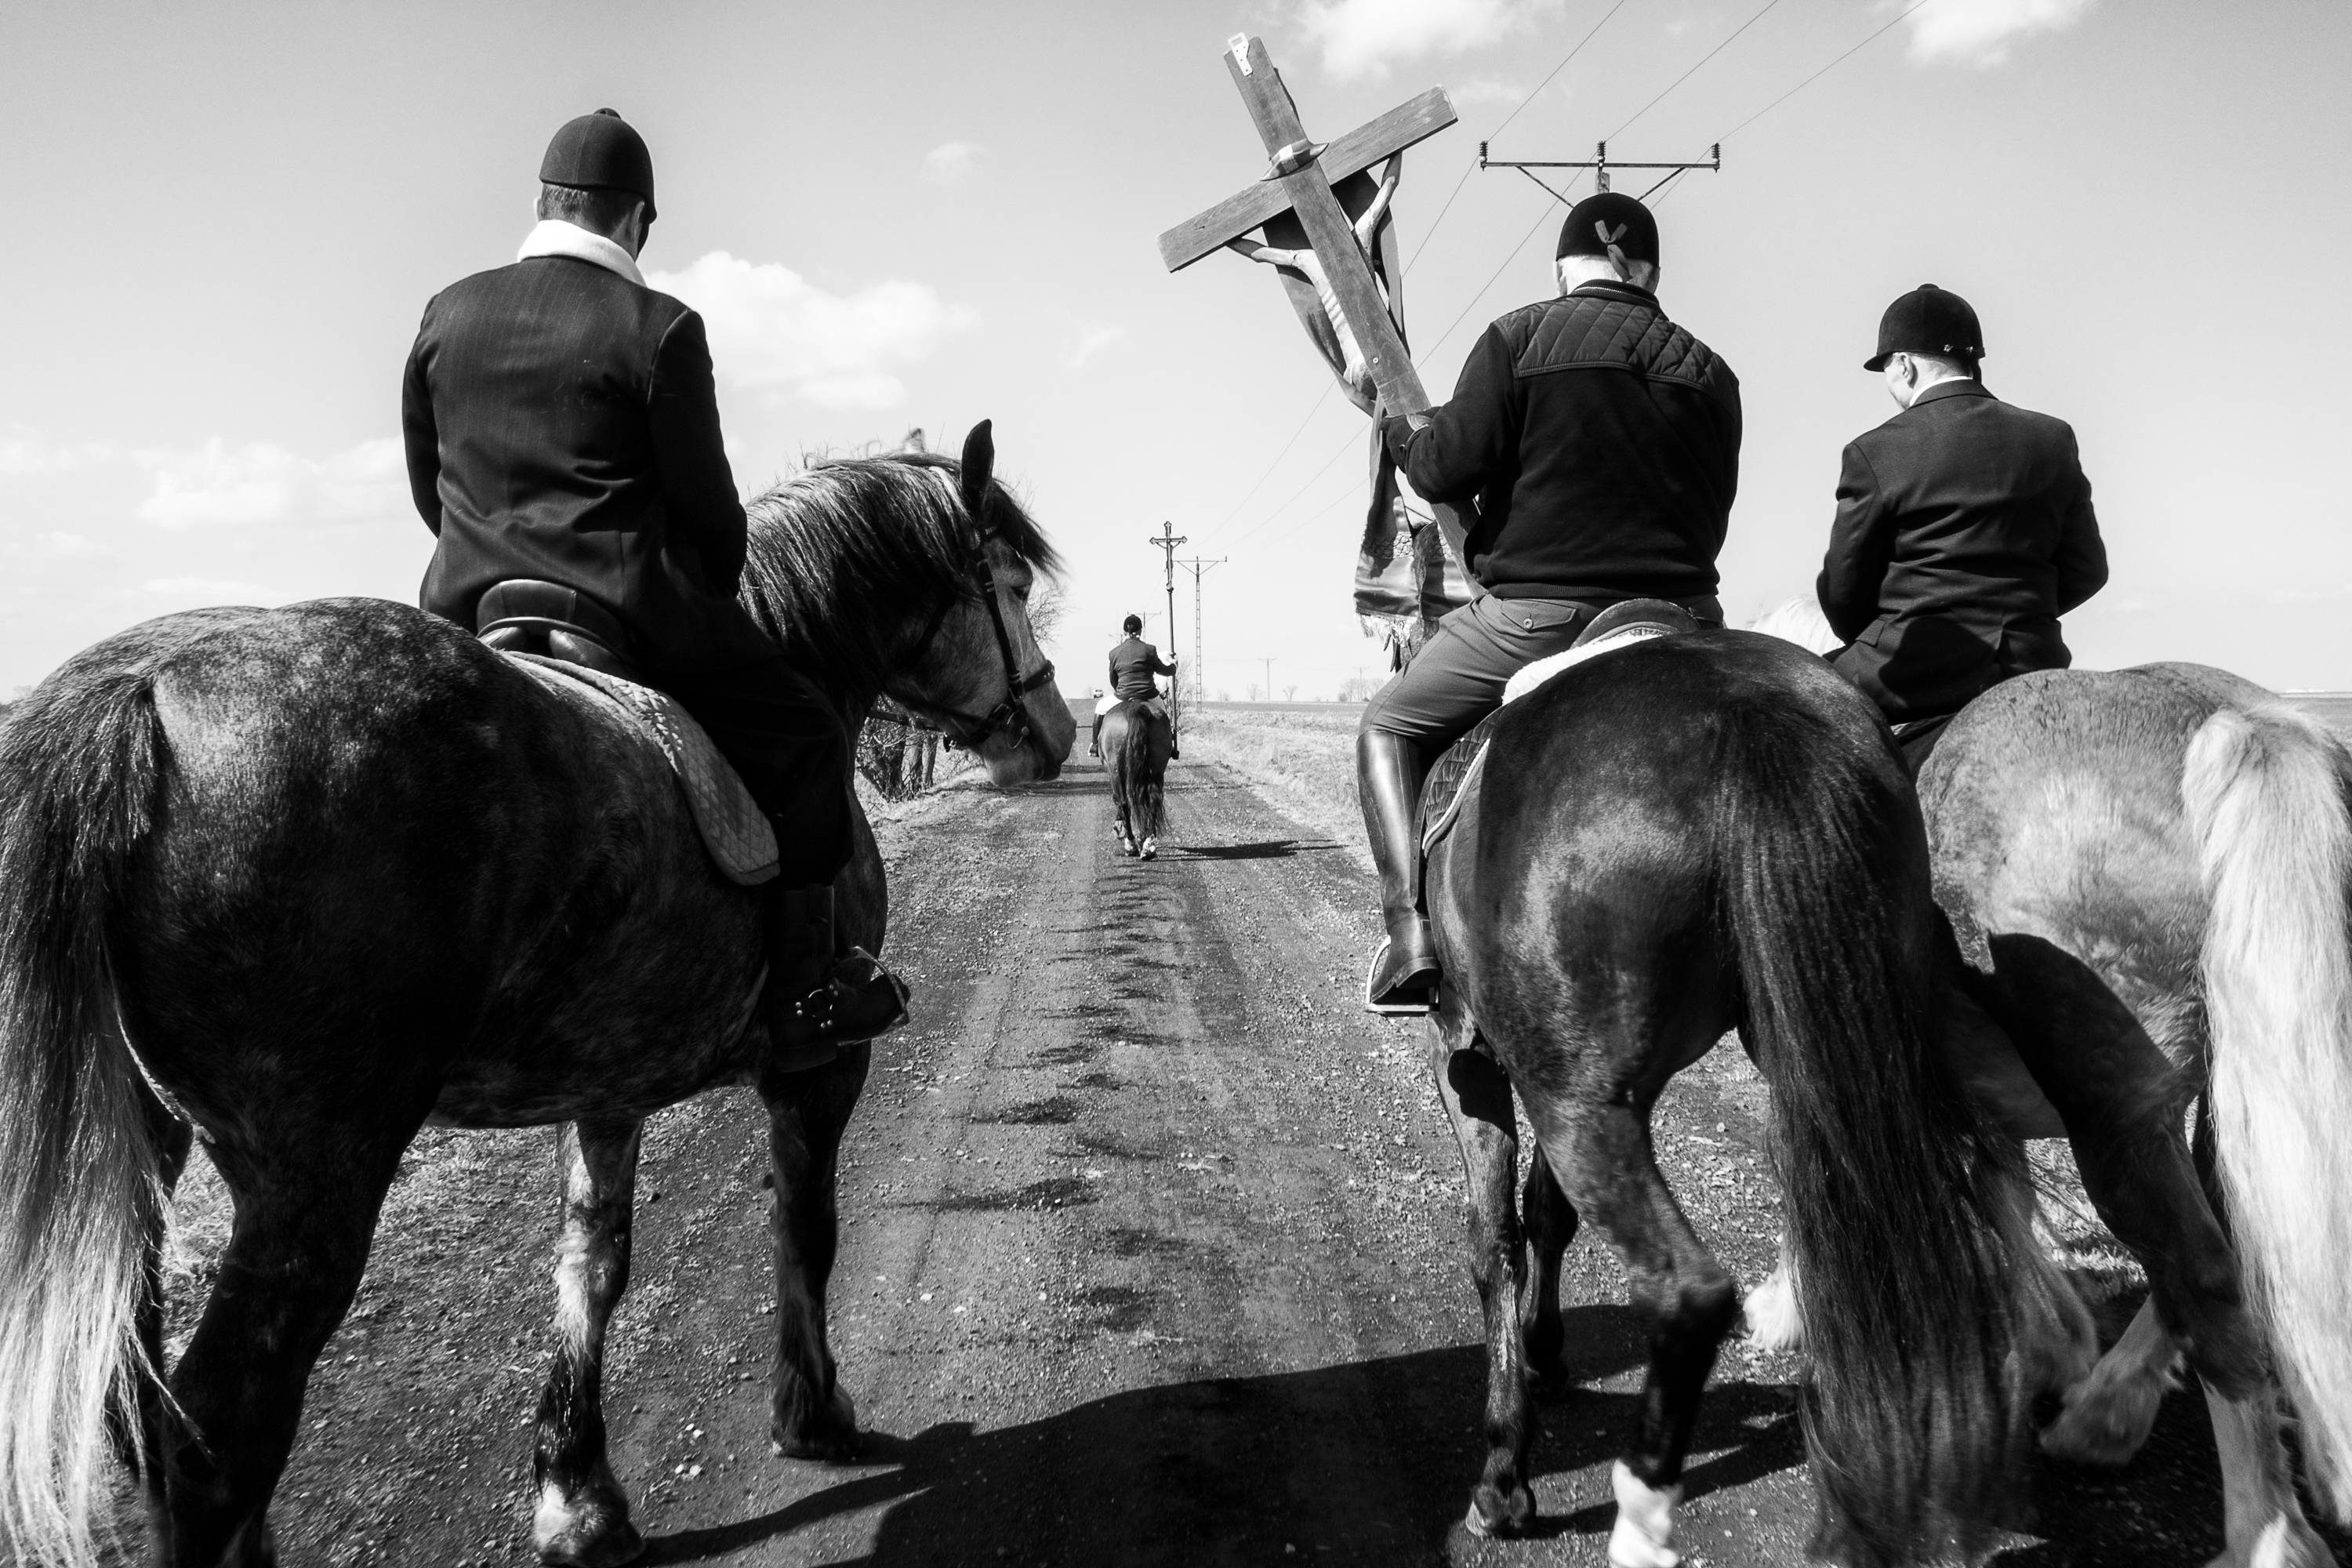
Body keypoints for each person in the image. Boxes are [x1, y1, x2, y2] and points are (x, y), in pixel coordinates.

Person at [401, 108, 905, 1068]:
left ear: (544, 203)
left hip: (472, 609)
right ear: (636, 221)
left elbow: (432, 490)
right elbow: (711, 513)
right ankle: (806, 996)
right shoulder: (661, 327)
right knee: (807, 738)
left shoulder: (445, 312)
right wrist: (714, 588)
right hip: (627, 613)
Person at [1362, 191, 1741, 1010]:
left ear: (1563, 269)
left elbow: (1442, 470)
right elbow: (1716, 516)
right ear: (1651, 274)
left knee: (1387, 724)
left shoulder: (1518, 339)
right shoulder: (1713, 373)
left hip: (1539, 618)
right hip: (1686, 624)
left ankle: (1410, 936)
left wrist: (1400, 434)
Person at [1817, 284, 2107, 771]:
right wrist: (2024, 614)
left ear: (1904, 365)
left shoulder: (1875, 451)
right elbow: (2088, 569)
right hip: (2030, 666)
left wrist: (1884, 632)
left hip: (1913, 676)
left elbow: (1844, 592)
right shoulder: (2053, 438)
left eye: (1886, 369)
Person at [1092, 614, 1177, 759]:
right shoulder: (1150, 650)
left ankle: (1094, 745)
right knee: (1163, 715)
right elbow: (1164, 670)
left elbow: (1113, 680)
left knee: (1100, 707)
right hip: (1148, 695)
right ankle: (1170, 747)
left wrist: (1121, 690)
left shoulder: (1114, 653)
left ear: (1124, 631)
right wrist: (1174, 665)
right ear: (1140, 631)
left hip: (1123, 695)